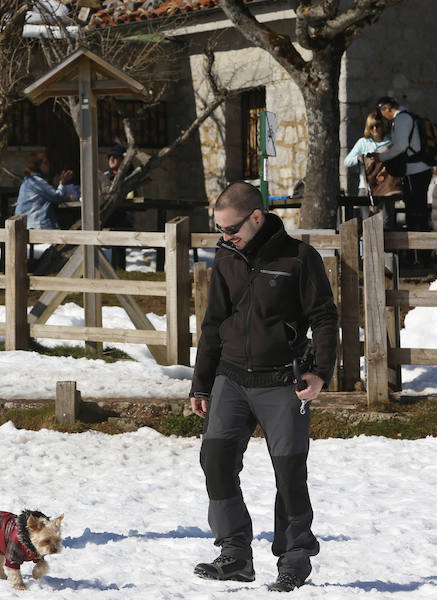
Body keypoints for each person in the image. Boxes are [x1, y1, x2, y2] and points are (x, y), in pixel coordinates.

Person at [190, 182, 338, 593]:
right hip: (230, 379)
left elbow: (325, 317)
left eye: (231, 228)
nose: (225, 236)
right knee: (216, 462)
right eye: (219, 229)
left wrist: (321, 372)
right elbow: (214, 322)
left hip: (282, 383)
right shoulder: (226, 256)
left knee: (289, 473)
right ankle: (235, 554)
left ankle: (294, 560)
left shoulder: (299, 258)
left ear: (257, 216)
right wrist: (201, 384)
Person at [374, 96, 435, 232]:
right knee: (419, 211)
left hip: (415, 171)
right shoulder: (408, 117)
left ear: (387, 108)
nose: (383, 118)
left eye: (382, 113)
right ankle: (419, 249)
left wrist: (381, 157)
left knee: (416, 212)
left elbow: (401, 146)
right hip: (419, 169)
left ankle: (418, 249)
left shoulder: (401, 119)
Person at [343, 112, 393, 226]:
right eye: (371, 126)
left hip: (385, 187)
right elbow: (347, 161)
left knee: (386, 222)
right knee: (367, 222)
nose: (375, 129)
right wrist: (360, 158)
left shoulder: (389, 143)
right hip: (365, 188)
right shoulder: (363, 143)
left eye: (377, 126)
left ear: (382, 126)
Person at [15, 152, 73, 230]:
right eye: (45, 163)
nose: (48, 166)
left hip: (28, 223)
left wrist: (56, 185)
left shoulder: (30, 180)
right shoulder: (36, 181)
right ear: (38, 165)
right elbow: (57, 197)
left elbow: (48, 195)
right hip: (36, 224)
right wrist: (61, 183)